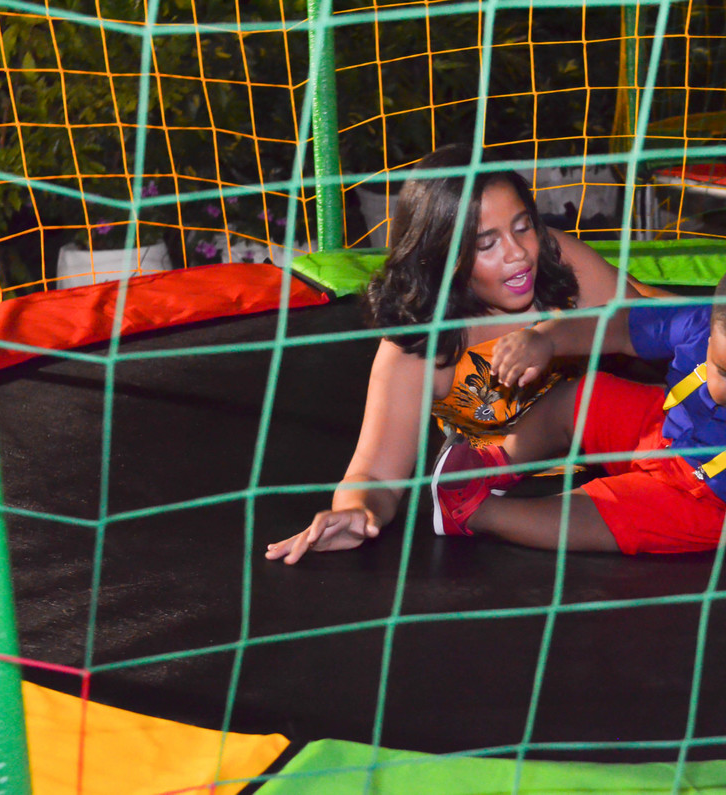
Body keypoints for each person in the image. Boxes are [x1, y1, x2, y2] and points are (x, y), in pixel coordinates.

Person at [266, 144, 652, 565]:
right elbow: (374, 472)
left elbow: (651, 328)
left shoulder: (553, 258)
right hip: (519, 485)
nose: (518, 253)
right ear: (444, 257)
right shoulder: (420, 346)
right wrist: (357, 512)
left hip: (602, 444)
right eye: (487, 244)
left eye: (523, 227)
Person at [430, 253, 726, 555]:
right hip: (663, 431)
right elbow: (619, 326)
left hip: (716, 503)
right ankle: (497, 460)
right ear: (711, 337)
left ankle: (473, 514)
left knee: (613, 513)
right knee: (588, 394)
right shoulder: (698, 323)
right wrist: (547, 338)